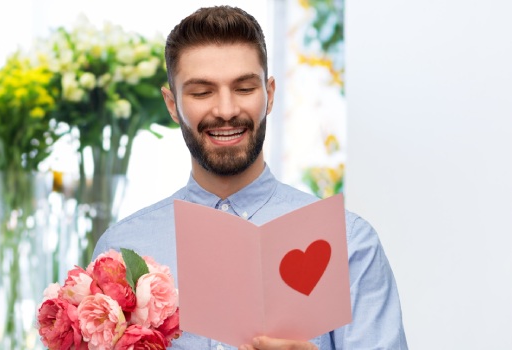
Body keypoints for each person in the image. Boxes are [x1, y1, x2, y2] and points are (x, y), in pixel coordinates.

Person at [93, 5, 408, 349]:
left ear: (269, 95)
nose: (226, 110)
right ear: (172, 104)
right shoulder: (120, 252)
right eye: (202, 92)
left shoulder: (350, 244)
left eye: (244, 88)